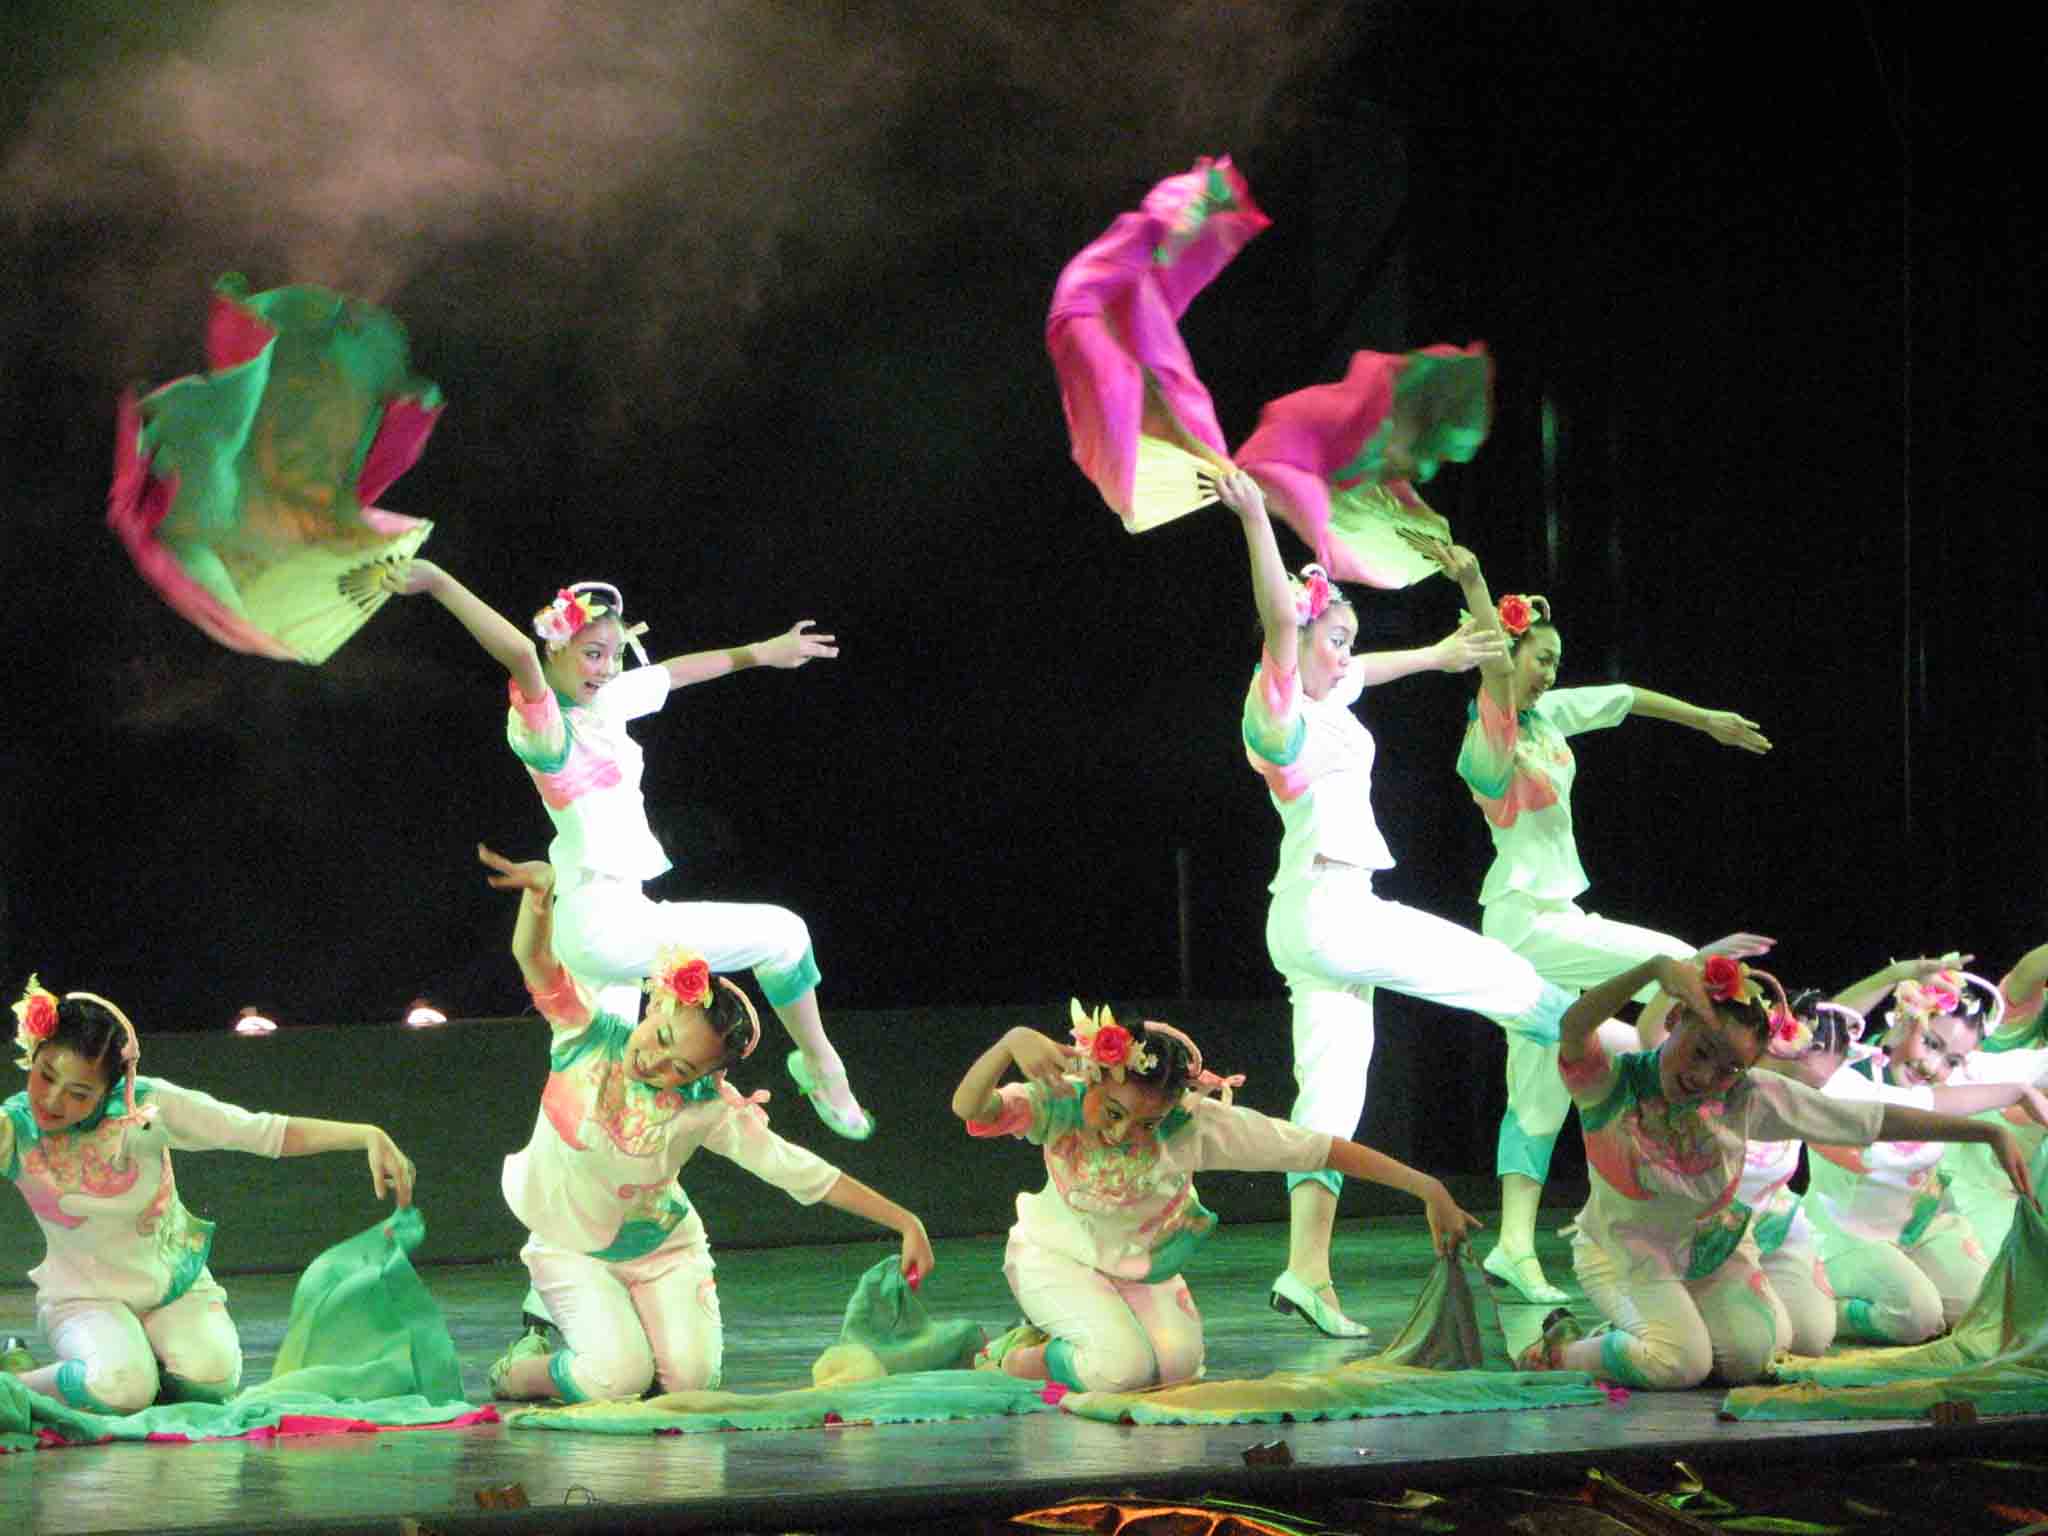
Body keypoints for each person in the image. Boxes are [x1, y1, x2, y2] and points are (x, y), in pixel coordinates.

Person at [1217, 468, 1569, 1339]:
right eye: (1334, 639)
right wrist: (1257, 519)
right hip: (1334, 912)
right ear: (1301, 640)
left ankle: (1306, 1271)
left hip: (1310, 919)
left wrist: (1440, 656)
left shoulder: (1329, 693)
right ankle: (1594, 1036)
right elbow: (1281, 623)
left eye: (1350, 640)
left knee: (1330, 1101)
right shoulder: (1279, 713)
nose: (1346, 654)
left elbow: (1361, 669)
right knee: (1496, 974)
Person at [1400, 531, 1773, 1305]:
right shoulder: (1487, 744)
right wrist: (1474, 584)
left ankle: (1512, 1246)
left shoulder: (1548, 720)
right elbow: (1495, 674)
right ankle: (1678, 1113)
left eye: (1556, 661)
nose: (1550, 671)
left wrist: (1706, 718)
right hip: (1527, 924)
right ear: (1507, 655)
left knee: (1537, 1092)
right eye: (1540, 658)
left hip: (1554, 917)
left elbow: (1626, 698)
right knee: (1679, 962)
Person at [389, 561, 870, 1139]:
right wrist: (438, 582)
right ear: (556, 647)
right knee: (785, 936)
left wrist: (764, 652)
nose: (607, 667)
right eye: (593, 653)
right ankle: (822, 1066)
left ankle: (565, 1182)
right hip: (602, 925)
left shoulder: (605, 701)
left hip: (610, 916)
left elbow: (673, 672)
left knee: (597, 1096)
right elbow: (518, 653)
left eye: (614, 654)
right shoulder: (542, 728)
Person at [474, 846, 932, 1403]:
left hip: (663, 1251)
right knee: (616, 1380)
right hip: (571, 1248)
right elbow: (534, 959)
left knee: (691, 1384)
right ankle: (524, 1366)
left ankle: (629, 1337)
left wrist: (905, 1220)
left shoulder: (706, 1107)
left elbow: (800, 1172)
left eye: (682, 1068)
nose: (657, 1063)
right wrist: (539, 898)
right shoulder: (583, 1037)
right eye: (663, 1038)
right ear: (657, 1006)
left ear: (705, 1076)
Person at [1519, 953, 2036, 1389]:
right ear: (1676, 1019)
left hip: (1713, 1250)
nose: (1706, 1076)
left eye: (1730, 1068)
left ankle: (1656, 1330)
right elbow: (1574, 1027)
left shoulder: (1745, 1097)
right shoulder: (1611, 1084)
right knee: (1681, 1363)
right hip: (1626, 1252)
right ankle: (1564, 1349)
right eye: (1702, 1052)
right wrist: (1651, 970)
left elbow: (1866, 1119)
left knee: (1753, 1358)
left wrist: (1985, 1132)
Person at [952, 1002, 1478, 1394]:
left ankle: (1082, 1335)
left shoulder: (1192, 1127)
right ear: (1093, 1079)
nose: (1122, 1132)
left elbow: (1319, 1149)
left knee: (1177, 1368)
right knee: (1122, 1371)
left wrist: (1428, 1188)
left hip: (1139, 1271)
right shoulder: (1060, 1103)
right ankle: (1018, 1355)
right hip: (1054, 1258)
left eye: (1147, 1122)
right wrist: (1010, 1042)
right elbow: (969, 1106)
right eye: (1113, 1112)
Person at [3, 977, 414, 1412]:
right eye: (45, 1075)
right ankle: (16, 1383)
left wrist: (364, 1135)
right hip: (84, 1300)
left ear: (110, 1089)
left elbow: (259, 1131)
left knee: (211, 1380)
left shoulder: (148, 1107)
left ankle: (137, 1364)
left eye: (79, 1093)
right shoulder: (15, 1130)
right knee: (120, 1389)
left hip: (174, 1288)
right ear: (33, 1056)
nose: (52, 1100)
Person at [1798, 966, 2048, 1344]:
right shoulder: (1842, 1074)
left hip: (1926, 1227)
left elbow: (2036, 1066)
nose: (1933, 1066)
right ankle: (1816, 1308)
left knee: (1985, 1310)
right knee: (1917, 1318)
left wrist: (2024, 1090)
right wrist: (1895, 974)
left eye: (1953, 1059)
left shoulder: (1954, 1073)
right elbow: (1821, 1025)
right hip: (1847, 1233)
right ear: (1903, 1016)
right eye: (1930, 1043)